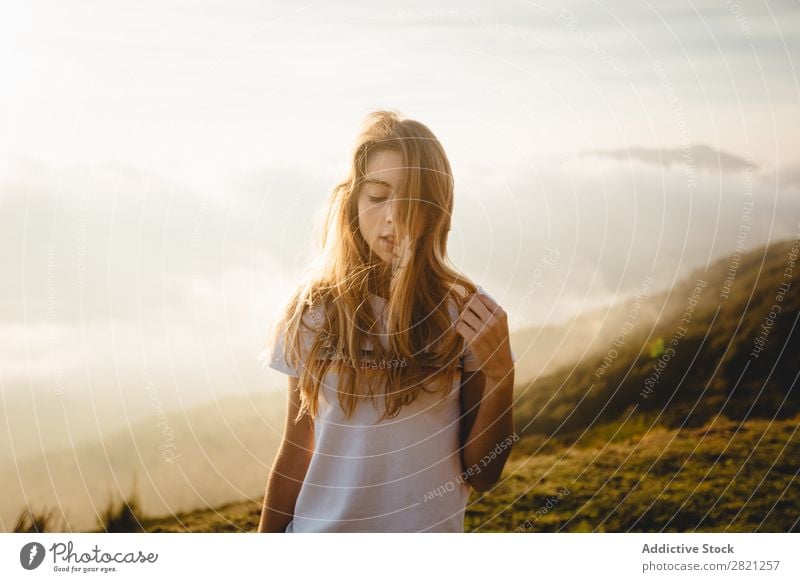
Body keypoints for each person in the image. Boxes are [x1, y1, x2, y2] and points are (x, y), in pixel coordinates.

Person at [257, 110, 516, 533]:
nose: (392, 216)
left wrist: (503, 376)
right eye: (377, 197)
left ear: (437, 209)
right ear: (353, 202)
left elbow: (483, 473)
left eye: (411, 199)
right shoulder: (314, 310)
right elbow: (296, 451)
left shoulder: (466, 312)